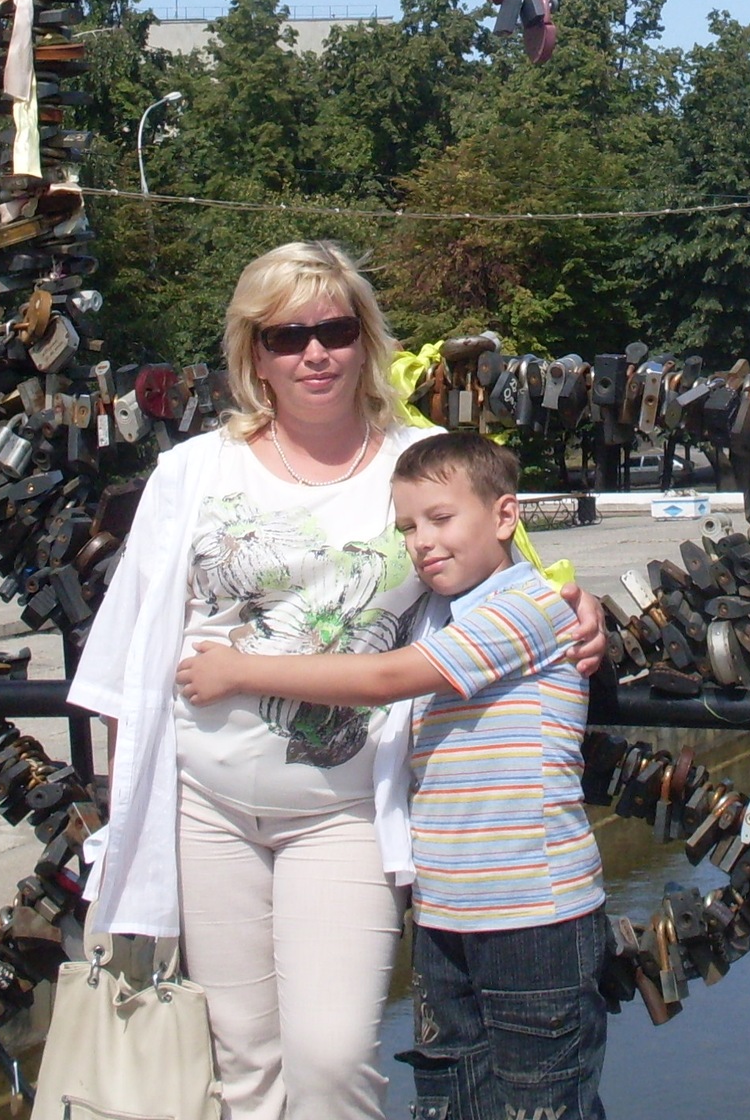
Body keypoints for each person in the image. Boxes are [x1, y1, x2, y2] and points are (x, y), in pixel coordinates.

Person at [66, 239, 608, 1120]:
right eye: (287, 336)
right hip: (205, 807)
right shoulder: (193, 471)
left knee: (331, 1059)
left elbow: (513, 574)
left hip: (344, 811)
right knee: (242, 1061)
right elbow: (133, 648)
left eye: (335, 330)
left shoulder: (422, 458)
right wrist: (124, 807)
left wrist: (585, 605)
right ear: (255, 354)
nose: (314, 353)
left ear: (365, 339)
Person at [180, 433, 606, 1120]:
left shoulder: (529, 607)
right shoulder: (438, 615)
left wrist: (239, 671)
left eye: (441, 518)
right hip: (444, 912)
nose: (422, 542)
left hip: (533, 911)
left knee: (544, 1101)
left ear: (505, 516)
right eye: (407, 527)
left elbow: (381, 678)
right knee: (452, 1097)